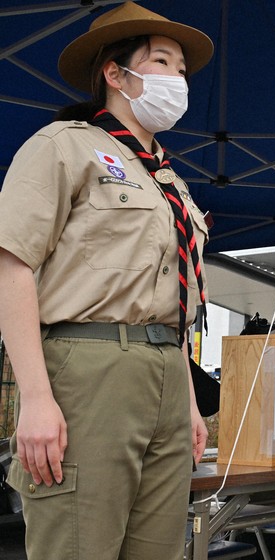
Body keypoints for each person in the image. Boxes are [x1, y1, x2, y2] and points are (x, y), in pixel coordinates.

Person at [0, 3, 214, 558]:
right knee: (80, 543)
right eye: (162, 61)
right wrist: (36, 397)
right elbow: (12, 264)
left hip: (167, 367)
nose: (178, 79)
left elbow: (171, 295)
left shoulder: (169, 178)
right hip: (89, 369)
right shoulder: (63, 146)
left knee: (159, 548)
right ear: (116, 75)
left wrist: (187, 398)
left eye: (183, 69)